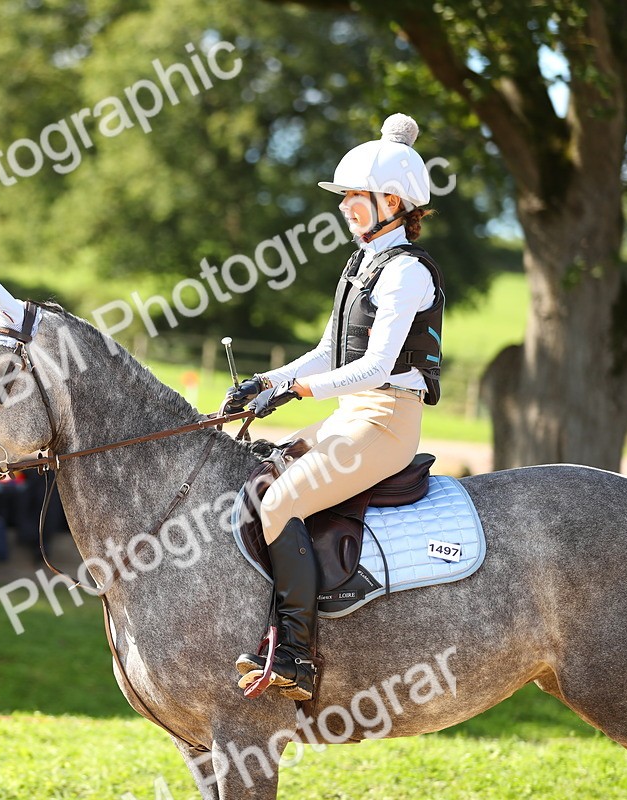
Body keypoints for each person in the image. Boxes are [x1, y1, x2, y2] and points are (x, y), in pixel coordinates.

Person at [222, 113, 445, 701]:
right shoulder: (360, 265)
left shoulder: (405, 273)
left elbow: (374, 368)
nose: (344, 205)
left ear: (391, 202)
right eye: (343, 196)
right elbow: (327, 353)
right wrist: (265, 380)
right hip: (350, 415)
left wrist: (296, 392)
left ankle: (295, 656)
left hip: (385, 421)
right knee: (259, 475)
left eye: (354, 196)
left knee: (282, 502)